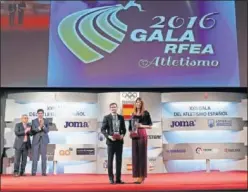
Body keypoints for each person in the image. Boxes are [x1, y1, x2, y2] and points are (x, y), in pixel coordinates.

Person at [101, 103, 126, 184]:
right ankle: (111, 178)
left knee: (119, 161)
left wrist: (122, 135)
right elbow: (103, 129)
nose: (113, 108)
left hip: (119, 142)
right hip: (111, 142)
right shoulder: (106, 117)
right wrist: (108, 136)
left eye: (114, 107)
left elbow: (124, 129)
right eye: (112, 107)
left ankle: (118, 179)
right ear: (110, 108)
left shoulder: (121, 117)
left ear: (117, 108)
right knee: (110, 160)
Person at [129, 97, 152, 184]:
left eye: (139, 102)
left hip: (142, 134)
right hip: (134, 135)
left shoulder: (145, 113)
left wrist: (141, 125)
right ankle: (137, 175)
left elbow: (150, 126)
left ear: (142, 104)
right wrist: (131, 131)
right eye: (136, 102)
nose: (138, 104)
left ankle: (142, 176)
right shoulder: (133, 113)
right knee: (135, 156)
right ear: (135, 104)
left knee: (142, 156)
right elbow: (130, 126)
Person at [31, 109, 49, 176]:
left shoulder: (46, 121)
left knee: (44, 157)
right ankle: (33, 172)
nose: (40, 114)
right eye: (39, 113)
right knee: (35, 157)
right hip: (36, 140)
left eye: (41, 113)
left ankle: (44, 172)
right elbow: (33, 130)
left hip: (44, 140)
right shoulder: (34, 121)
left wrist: (43, 126)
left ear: (43, 114)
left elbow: (47, 131)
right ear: (37, 114)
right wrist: (39, 127)